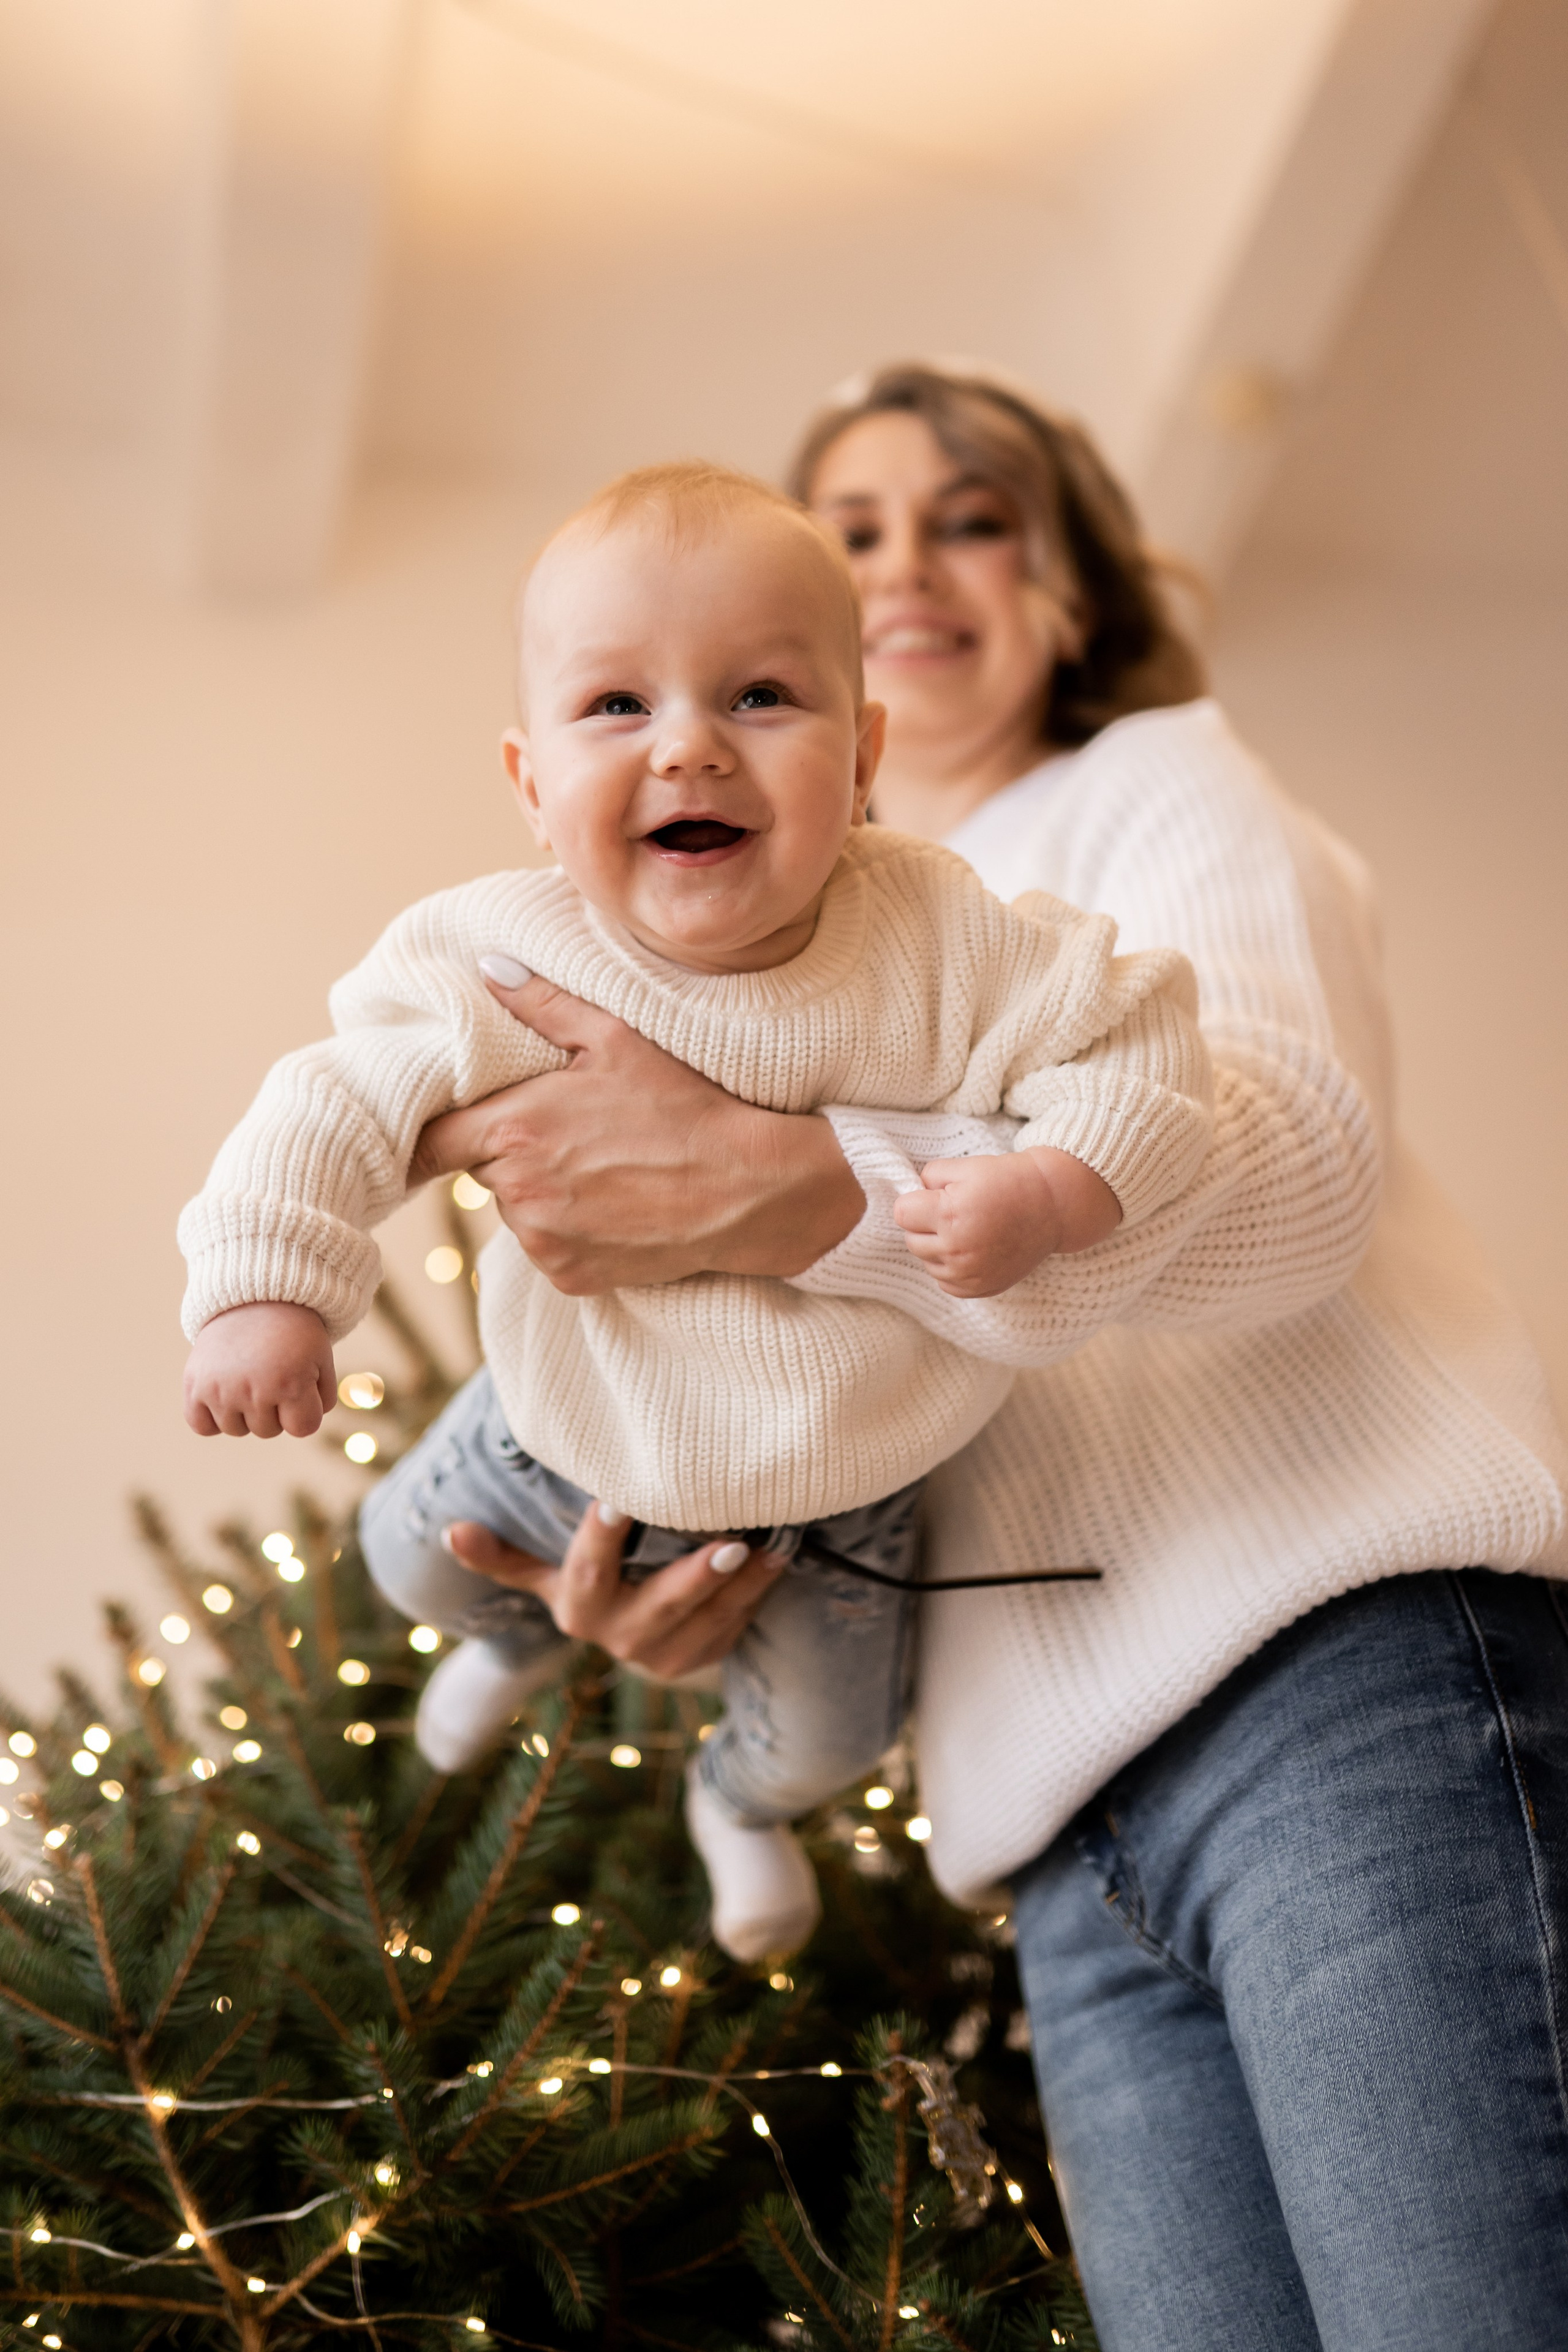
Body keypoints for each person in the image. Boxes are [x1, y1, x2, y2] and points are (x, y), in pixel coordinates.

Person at [407, 364, 1568, 2351]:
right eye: (851, 532)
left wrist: (779, 1188)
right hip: (1055, 1834)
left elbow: (1293, 1168)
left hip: (1343, 1696)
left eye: (971, 517)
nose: (907, 563)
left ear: (1070, 593)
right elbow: (862, 1395)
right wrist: (711, 1560)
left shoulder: (1151, 796)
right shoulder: (756, 966)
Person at [178, 456, 1213, 1965]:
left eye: (757, 698)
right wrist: (266, 1287)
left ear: (861, 762)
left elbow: (1138, 1037)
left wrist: (1056, 1186)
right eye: (617, 707)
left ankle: (735, 1804)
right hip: (562, 1417)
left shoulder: (942, 934)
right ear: (531, 786)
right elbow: (335, 1102)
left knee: (825, 1748)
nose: (687, 752)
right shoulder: (504, 953)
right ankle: (517, 1639)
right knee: (410, 1561)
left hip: (844, 1480)